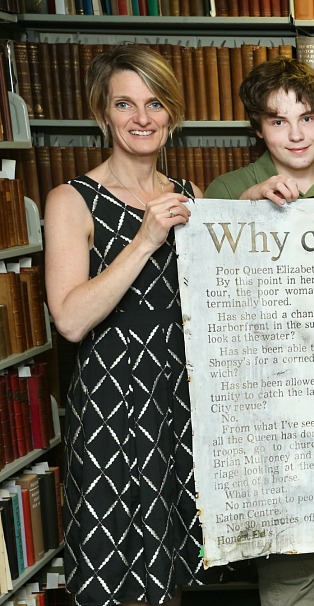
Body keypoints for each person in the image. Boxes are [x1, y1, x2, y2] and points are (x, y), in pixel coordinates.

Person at [205, 56, 314, 606]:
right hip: (272, 417)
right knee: (292, 575)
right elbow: (215, 312)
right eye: (278, 120)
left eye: (306, 117)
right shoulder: (227, 192)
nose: (295, 133)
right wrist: (239, 219)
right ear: (257, 127)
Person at [44, 45, 201, 606]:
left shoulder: (187, 196)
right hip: (112, 398)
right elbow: (69, 318)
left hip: (177, 395)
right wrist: (145, 240)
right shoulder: (70, 200)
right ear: (103, 113)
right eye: (124, 103)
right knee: (116, 568)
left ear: (172, 114)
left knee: (169, 562)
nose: (142, 117)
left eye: (154, 103)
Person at [205, 56, 314, 203]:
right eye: (279, 122)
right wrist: (242, 208)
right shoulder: (224, 191)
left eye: (307, 119)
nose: (296, 136)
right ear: (259, 130)